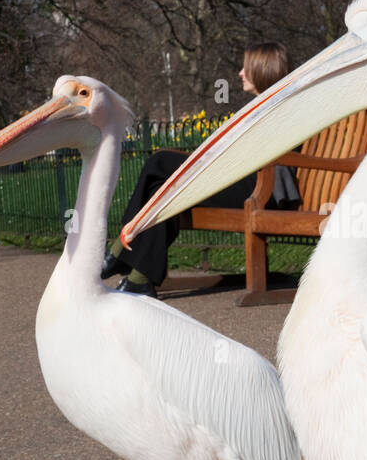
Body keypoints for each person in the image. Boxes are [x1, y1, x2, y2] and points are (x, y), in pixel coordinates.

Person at [102, 42, 299, 294]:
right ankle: (140, 278)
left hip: (263, 188)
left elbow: (264, 154)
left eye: (245, 68)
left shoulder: (284, 104)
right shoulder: (262, 105)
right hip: (242, 179)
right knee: (165, 188)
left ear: (263, 69)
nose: (239, 73)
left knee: (159, 161)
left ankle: (121, 248)